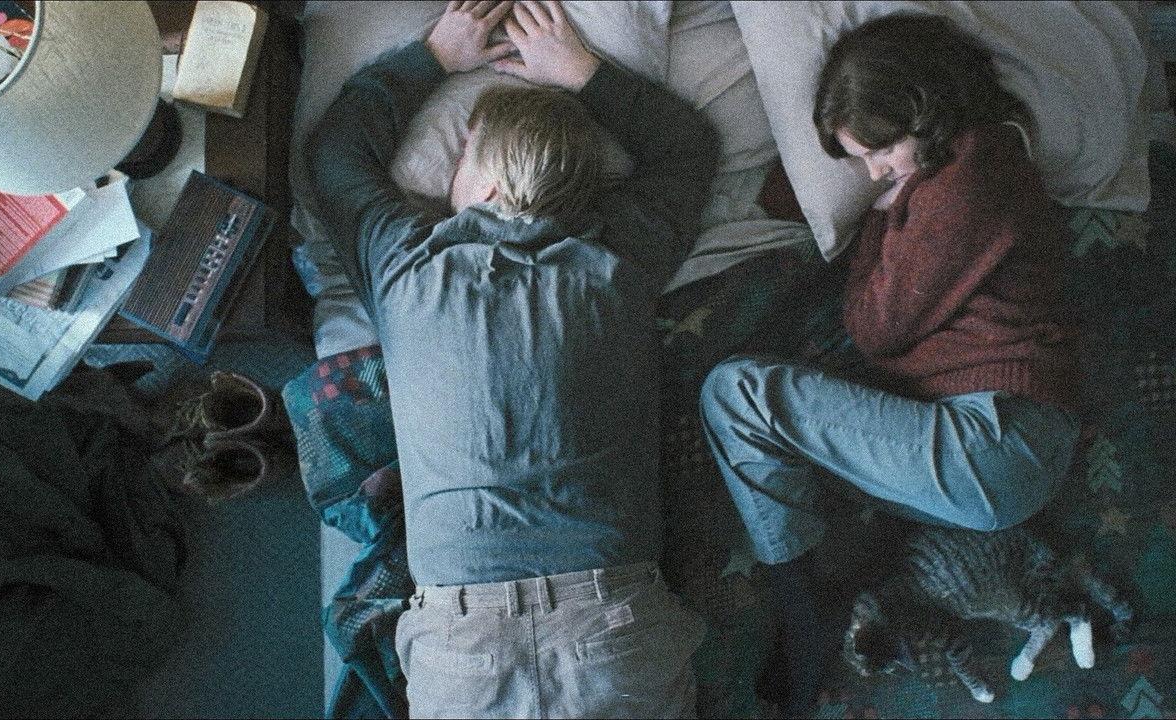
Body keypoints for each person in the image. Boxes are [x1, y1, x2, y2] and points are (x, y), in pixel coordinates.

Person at [305, 1, 720, 717]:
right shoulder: (615, 262)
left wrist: (434, 57)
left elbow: (336, 153)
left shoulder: (407, 266)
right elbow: (687, 146)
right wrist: (585, 75)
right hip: (613, 623)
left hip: (465, 639)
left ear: (488, 184)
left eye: (462, 158)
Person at [698, 12, 1083, 715]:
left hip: (998, 440)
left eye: (880, 152)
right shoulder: (961, 176)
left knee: (736, 395)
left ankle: (804, 609)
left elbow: (877, 327)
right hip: (987, 444)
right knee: (780, 449)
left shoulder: (969, 175)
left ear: (923, 113)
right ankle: (829, 589)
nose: (875, 173)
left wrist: (876, 217)